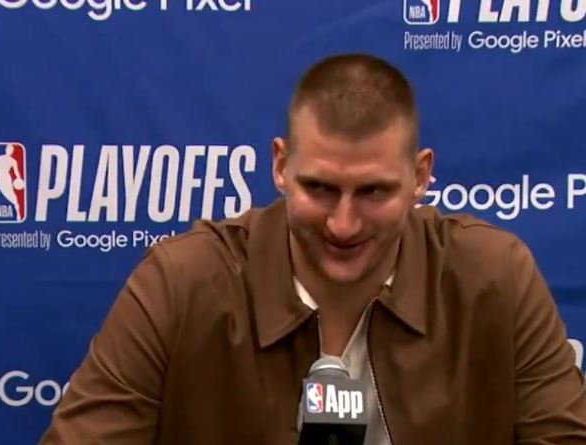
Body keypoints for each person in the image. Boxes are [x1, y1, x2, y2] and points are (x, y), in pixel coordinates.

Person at [39, 54, 586, 444]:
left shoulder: (494, 275)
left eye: (373, 192)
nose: (343, 225)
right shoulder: (181, 282)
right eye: (320, 188)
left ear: (420, 177)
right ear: (281, 166)